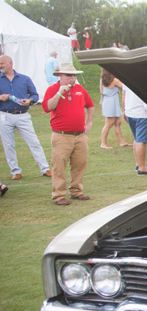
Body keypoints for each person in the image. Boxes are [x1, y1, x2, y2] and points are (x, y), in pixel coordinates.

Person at [42, 63, 94, 205]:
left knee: (79, 164)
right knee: (59, 166)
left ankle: (76, 191)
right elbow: (47, 107)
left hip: (80, 135)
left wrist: (89, 122)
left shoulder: (80, 89)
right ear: (60, 76)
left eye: (74, 75)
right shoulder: (52, 89)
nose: (72, 78)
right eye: (69, 75)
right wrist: (60, 92)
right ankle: (59, 195)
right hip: (61, 135)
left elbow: (90, 105)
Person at [0, 54, 52, 180]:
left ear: (10, 63)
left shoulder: (25, 79)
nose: (0, 66)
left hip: (22, 115)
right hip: (4, 115)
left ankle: (45, 168)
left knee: (34, 142)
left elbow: (35, 95)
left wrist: (29, 101)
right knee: (8, 145)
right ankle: (15, 171)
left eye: (2, 63)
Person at [123, 86, 147, 175]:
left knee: (136, 138)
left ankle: (138, 163)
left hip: (130, 111)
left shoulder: (126, 75)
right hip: (141, 113)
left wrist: (125, 109)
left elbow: (124, 94)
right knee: (141, 140)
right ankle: (142, 168)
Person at [99, 69, 131, 149]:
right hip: (111, 103)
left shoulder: (102, 80)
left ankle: (122, 142)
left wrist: (114, 91)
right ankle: (103, 143)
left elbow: (102, 92)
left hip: (107, 101)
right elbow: (124, 87)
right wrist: (116, 90)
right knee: (109, 124)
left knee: (117, 122)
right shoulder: (115, 80)